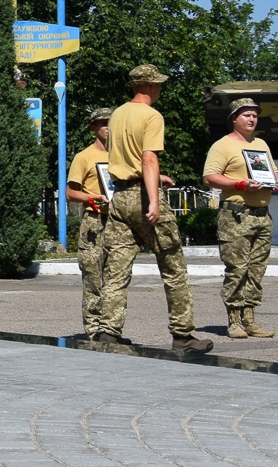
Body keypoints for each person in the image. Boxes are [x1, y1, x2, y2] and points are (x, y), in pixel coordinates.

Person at [97, 65, 213, 352]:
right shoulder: (151, 116)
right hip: (142, 196)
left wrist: (153, 177)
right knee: (173, 267)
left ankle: (108, 331)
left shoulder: (117, 114)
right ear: (150, 86)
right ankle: (183, 335)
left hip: (120, 196)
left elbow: (126, 158)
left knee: (116, 270)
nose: (160, 89)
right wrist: (153, 198)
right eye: (158, 84)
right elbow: (148, 159)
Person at [202, 97, 278, 339]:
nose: (252, 119)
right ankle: (234, 320)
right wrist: (240, 184)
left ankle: (250, 319)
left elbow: (273, 171)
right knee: (237, 269)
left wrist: (276, 182)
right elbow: (209, 177)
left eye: (255, 115)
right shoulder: (222, 146)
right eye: (246, 115)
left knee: (256, 270)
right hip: (236, 215)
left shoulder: (261, 144)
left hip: (262, 216)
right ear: (234, 119)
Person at [66, 107, 114, 338]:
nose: (108, 127)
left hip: (118, 221)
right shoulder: (84, 157)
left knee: (115, 278)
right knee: (93, 276)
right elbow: (70, 193)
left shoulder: (123, 156)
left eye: (111, 123)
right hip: (94, 220)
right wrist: (91, 197)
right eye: (103, 123)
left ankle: (111, 329)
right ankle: (94, 329)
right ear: (94, 128)